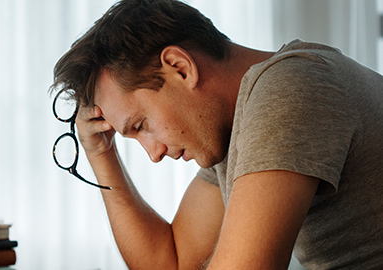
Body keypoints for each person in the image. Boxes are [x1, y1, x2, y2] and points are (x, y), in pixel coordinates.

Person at [50, 0, 383, 269]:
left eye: (140, 125)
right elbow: (174, 264)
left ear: (180, 67)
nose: (153, 153)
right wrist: (100, 154)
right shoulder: (233, 127)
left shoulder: (290, 87)